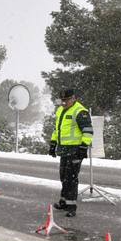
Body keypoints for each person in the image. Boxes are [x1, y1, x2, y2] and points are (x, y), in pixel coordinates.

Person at [48, 88, 93, 217]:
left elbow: (88, 131)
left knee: (71, 178)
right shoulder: (60, 111)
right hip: (64, 149)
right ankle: (64, 201)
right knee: (63, 176)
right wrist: (53, 144)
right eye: (62, 100)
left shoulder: (80, 111)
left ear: (73, 98)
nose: (64, 103)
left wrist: (83, 147)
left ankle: (72, 206)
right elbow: (57, 130)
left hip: (75, 149)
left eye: (66, 100)